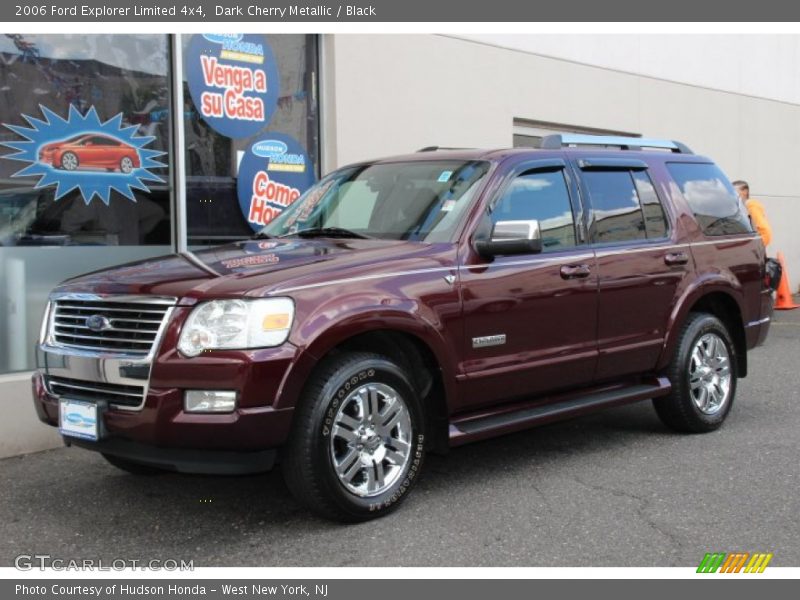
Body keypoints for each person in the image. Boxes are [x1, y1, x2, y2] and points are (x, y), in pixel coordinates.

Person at [733, 180, 772, 247]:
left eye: (734, 190)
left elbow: (765, 230)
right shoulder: (743, 207)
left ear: (744, 191)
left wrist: (757, 245)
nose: (732, 193)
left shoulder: (752, 205)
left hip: (756, 246)